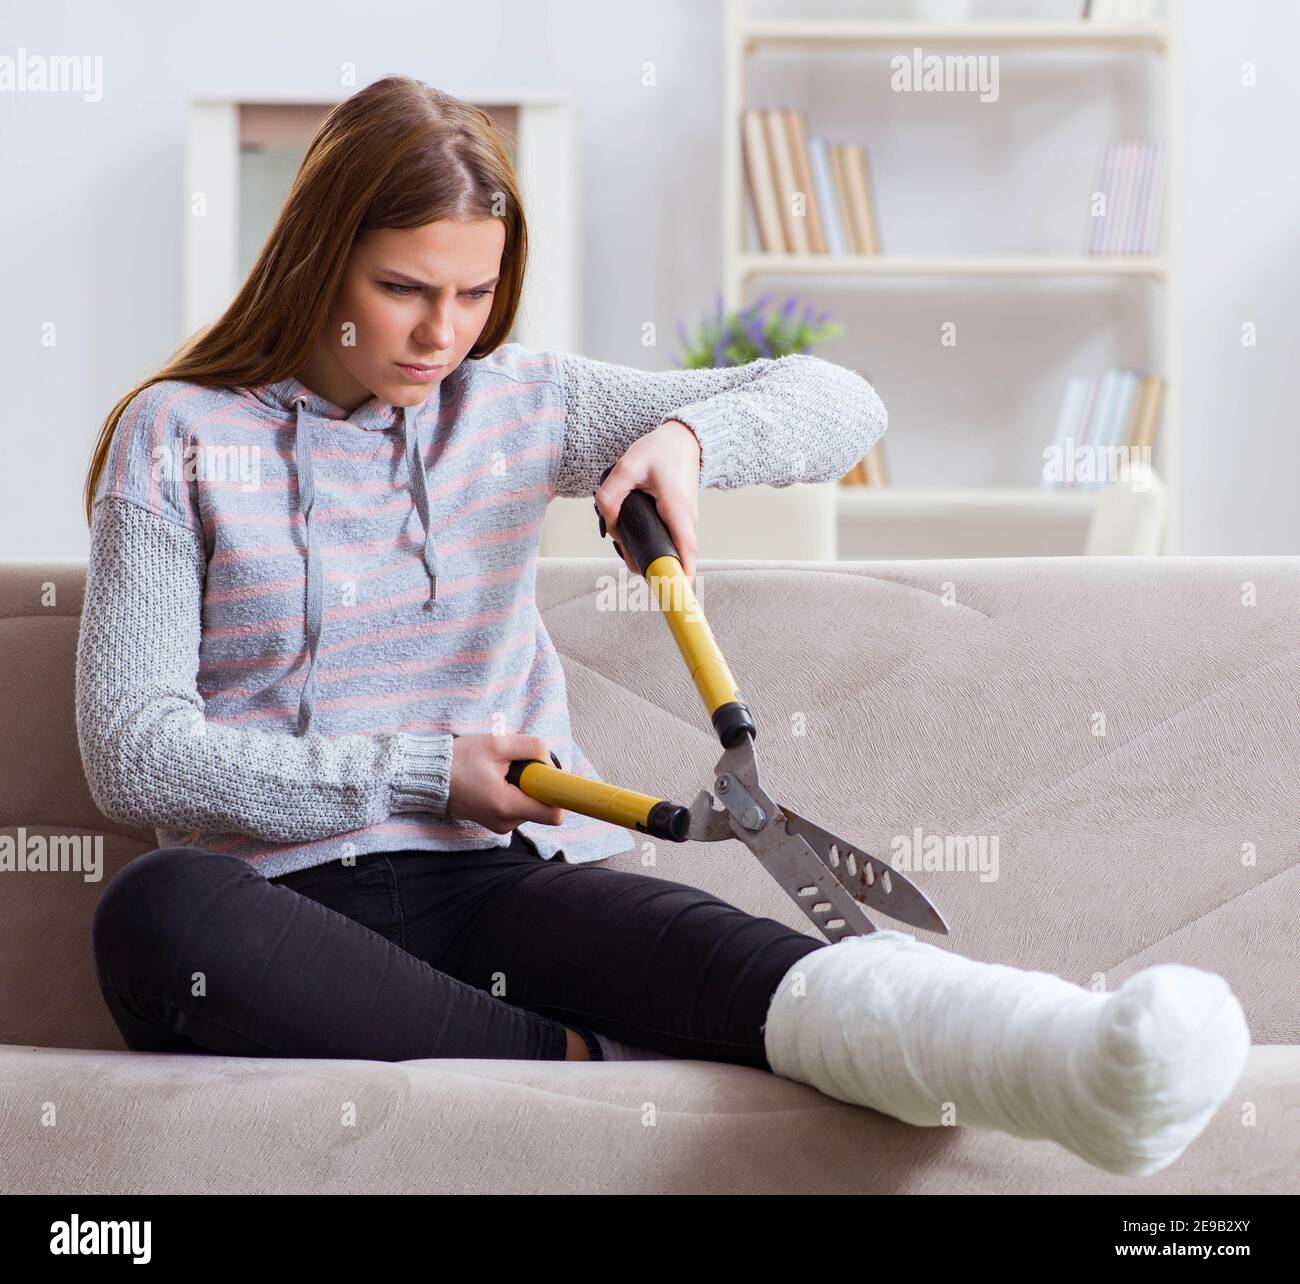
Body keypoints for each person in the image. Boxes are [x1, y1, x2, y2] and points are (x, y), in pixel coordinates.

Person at [77, 76, 1247, 1179]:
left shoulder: (516, 403)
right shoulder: (177, 435)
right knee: (156, 910)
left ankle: (1076, 1060)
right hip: (282, 909)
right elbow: (134, 753)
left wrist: (687, 442)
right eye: (404, 289)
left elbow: (843, 401)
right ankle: (567, 1063)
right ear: (318, 262)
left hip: (508, 885)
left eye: (475, 295)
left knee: (750, 968)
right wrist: (426, 769)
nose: (442, 335)